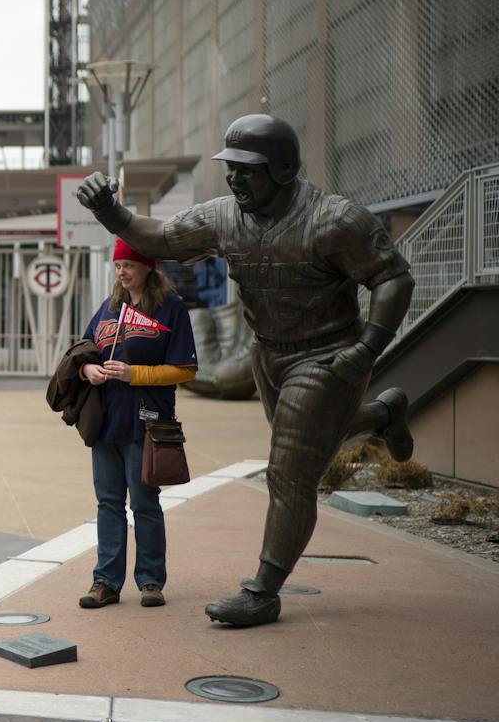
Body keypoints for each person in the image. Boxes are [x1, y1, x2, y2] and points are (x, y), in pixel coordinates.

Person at [76, 113, 414, 627]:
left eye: (246, 170)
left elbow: (393, 279)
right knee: (313, 441)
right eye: (229, 168)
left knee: (289, 472)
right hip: (269, 354)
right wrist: (109, 211)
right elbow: (161, 238)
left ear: (281, 169)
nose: (234, 178)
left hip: (327, 355)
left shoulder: (335, 220)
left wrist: (367, 349)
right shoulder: (224, 216)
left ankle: (263, 590)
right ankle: (382, 414)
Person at [78, 239, 198, 611]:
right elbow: (82, 350)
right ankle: (106, 581)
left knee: (145, 503)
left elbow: (186, 369)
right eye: (118, 266)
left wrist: (135, 374)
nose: (122, 272)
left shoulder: (171, 309)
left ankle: (150, 580)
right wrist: (88, 369)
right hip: (106, 422)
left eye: (129, 265)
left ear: (148, 267)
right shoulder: (109, 307)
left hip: (146, 422)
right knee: (108, 503)